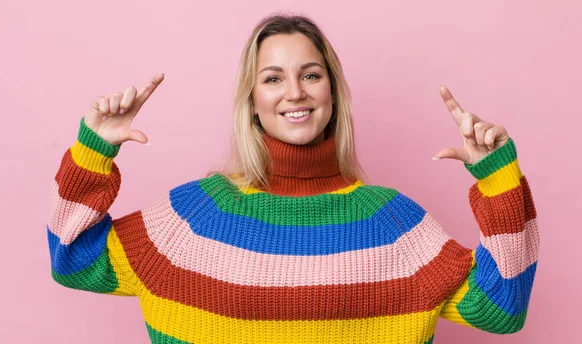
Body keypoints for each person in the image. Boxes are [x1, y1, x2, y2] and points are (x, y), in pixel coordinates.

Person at [47, 13, 539, 344]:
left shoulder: (394, 224)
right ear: (252, 100)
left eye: (311, 74)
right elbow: (72, 258)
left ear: (333, 92)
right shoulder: (192, 218)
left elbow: (502, 307)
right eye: (273, 78)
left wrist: (499, 180)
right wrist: (95, 148)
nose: (295, 93)